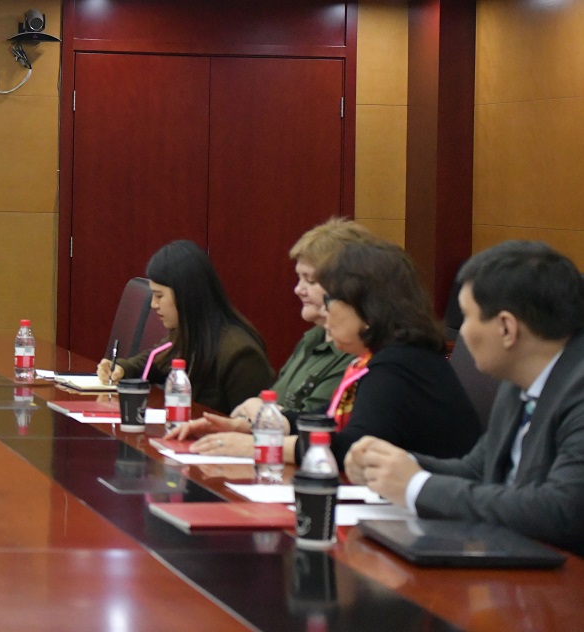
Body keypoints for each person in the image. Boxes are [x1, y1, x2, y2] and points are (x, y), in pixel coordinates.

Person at [348, 241, 584, 553]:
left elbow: (563, 511)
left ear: (506, 328)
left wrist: (417, 487)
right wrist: (393, 465)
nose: (460, 332)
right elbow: (479, 471)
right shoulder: (518, 382)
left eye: (467, 317)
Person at [194, 240, 481, 464]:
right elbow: (327, 420)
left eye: (331, 300)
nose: (324, 310)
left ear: (367, 309)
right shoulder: (384, 358)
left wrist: (259, 445)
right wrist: (256, 427)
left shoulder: (400, 366)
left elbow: (353, 448)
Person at [166, 218, 377, 448]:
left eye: (310, 280)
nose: (298, 289)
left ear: (346, 287)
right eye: (299, 278)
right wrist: (240, 424)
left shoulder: (353, 354)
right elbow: (271, 405)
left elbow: (317, 427)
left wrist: (259, 418)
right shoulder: (312, 339)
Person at [97, 240, 276, 415]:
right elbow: (156, 360)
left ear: (186, 295)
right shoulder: (188, 332)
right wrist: (123, 368)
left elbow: (253, 425)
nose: (153, 304)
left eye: (159, 296)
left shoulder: (240, 354)